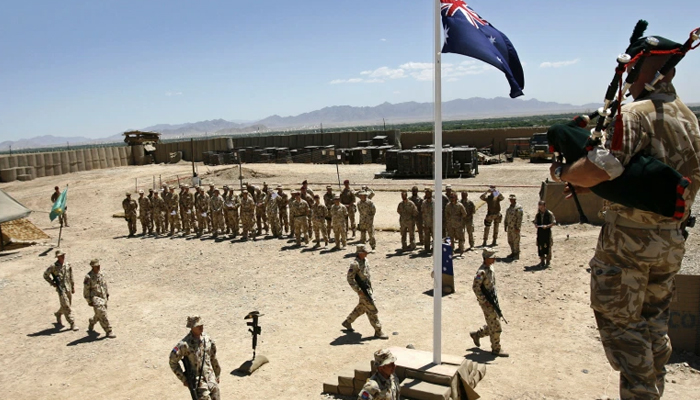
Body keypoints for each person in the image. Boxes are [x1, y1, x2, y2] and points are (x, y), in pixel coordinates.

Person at [548, 25, 700, 398]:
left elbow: (603, 168)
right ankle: (651, 390)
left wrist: (563, 172)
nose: (630, 76)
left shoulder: (635, 114)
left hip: (628, 244)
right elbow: (639, 178)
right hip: (669, 241)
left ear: (657, 69)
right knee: (652, 328)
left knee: (621, 329)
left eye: (636, 69)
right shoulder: (689, 118)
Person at [169, 316, 221, 400]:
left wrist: (217, 374)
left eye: (202, 325)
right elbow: (172, 361)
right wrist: (184, 379)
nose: (201, 327)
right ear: (192, 327)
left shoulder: (207, 339)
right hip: (198, 382)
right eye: (198, 326)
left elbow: (213, 358)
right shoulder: (185, 344)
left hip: (211, 378)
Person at [342, 245, 388, 339]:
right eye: (365, 252)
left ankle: (348, 322)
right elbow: (350, 278)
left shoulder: (366, 261)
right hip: (362, 291)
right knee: (372, 310)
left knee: (362, 307)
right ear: (360, 253)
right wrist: (358, 291)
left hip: (368, 289)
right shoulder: (355, 264)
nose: (367, 254)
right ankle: (378, 331)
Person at [469, 250, 508, 357]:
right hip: (486, 303)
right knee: (496, 326)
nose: (494, 259)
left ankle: (477, 334)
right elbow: (475, 288)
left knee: (493, 323)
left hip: (493, 301)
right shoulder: (481, 272)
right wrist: (484, 301)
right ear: (486, 258)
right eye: (492, 257)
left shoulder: (491, 268)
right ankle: (496, 349)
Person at [43, 249, 77, 330]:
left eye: (63, 255)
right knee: (66, 306)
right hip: (61, 289)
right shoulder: (53, 267)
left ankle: (58, 314)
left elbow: (71, 276)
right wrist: (52, 283)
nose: (63, 257)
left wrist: (72, 286)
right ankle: (72, 323)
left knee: (67, 305)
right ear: (58, 257)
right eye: (61, 256)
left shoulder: (68, 265)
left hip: (68, 287)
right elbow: (45, 275)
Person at [83, 259, 115, 338]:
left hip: (103, 297)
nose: (98, 267)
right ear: (92, 267)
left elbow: (104, 285)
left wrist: (107, 294)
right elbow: (86, 290)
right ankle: (108, 330)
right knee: (103, 314)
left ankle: (92, 321)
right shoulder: (88, 277)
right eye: (96, 266)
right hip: (96, 298)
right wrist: (89, 301)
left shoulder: (101, 274)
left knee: (99, 314)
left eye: (99, 265)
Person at [533, 200, 556, 267]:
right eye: (540, 207)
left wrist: (547, 226)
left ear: (544, 206)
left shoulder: (549, 214)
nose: (541, 208)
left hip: (547, 232)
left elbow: (554, 222)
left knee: (548, 246)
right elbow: (535, 221)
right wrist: (536, 225)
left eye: (542, 207)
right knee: (540, 246)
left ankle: (548, 261)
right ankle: (542, 260)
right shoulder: (538, 215)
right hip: (540, 232)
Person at [504, 194, 524, 260]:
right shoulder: (509, 207)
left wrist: (518, 227)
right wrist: (505, 224)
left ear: (515, 199)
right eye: (510, 199)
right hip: (510, 227)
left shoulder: (518, 208)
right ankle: (513, 252)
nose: (511, 200)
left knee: (516, 241)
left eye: (512, 199)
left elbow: (519, 219)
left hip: (515, 227)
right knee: (510, 240)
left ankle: (516, 254)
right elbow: (507, 216)